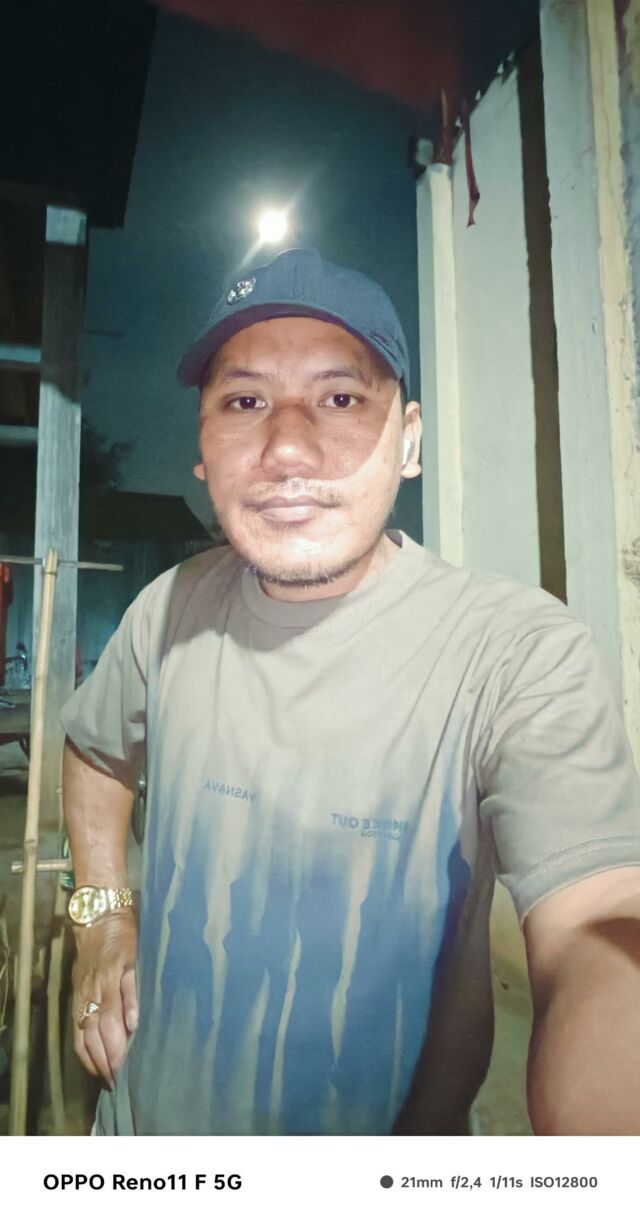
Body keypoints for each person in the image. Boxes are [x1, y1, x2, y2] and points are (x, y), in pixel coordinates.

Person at [61, 248, 640, 1137]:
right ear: (203, 451)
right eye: (244, 402)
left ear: (408, 442)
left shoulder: (515, 653)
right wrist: (102, 913)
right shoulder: (166, 609)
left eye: (339, 398)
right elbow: (95, 751)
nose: (287, 448)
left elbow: (598, 923)